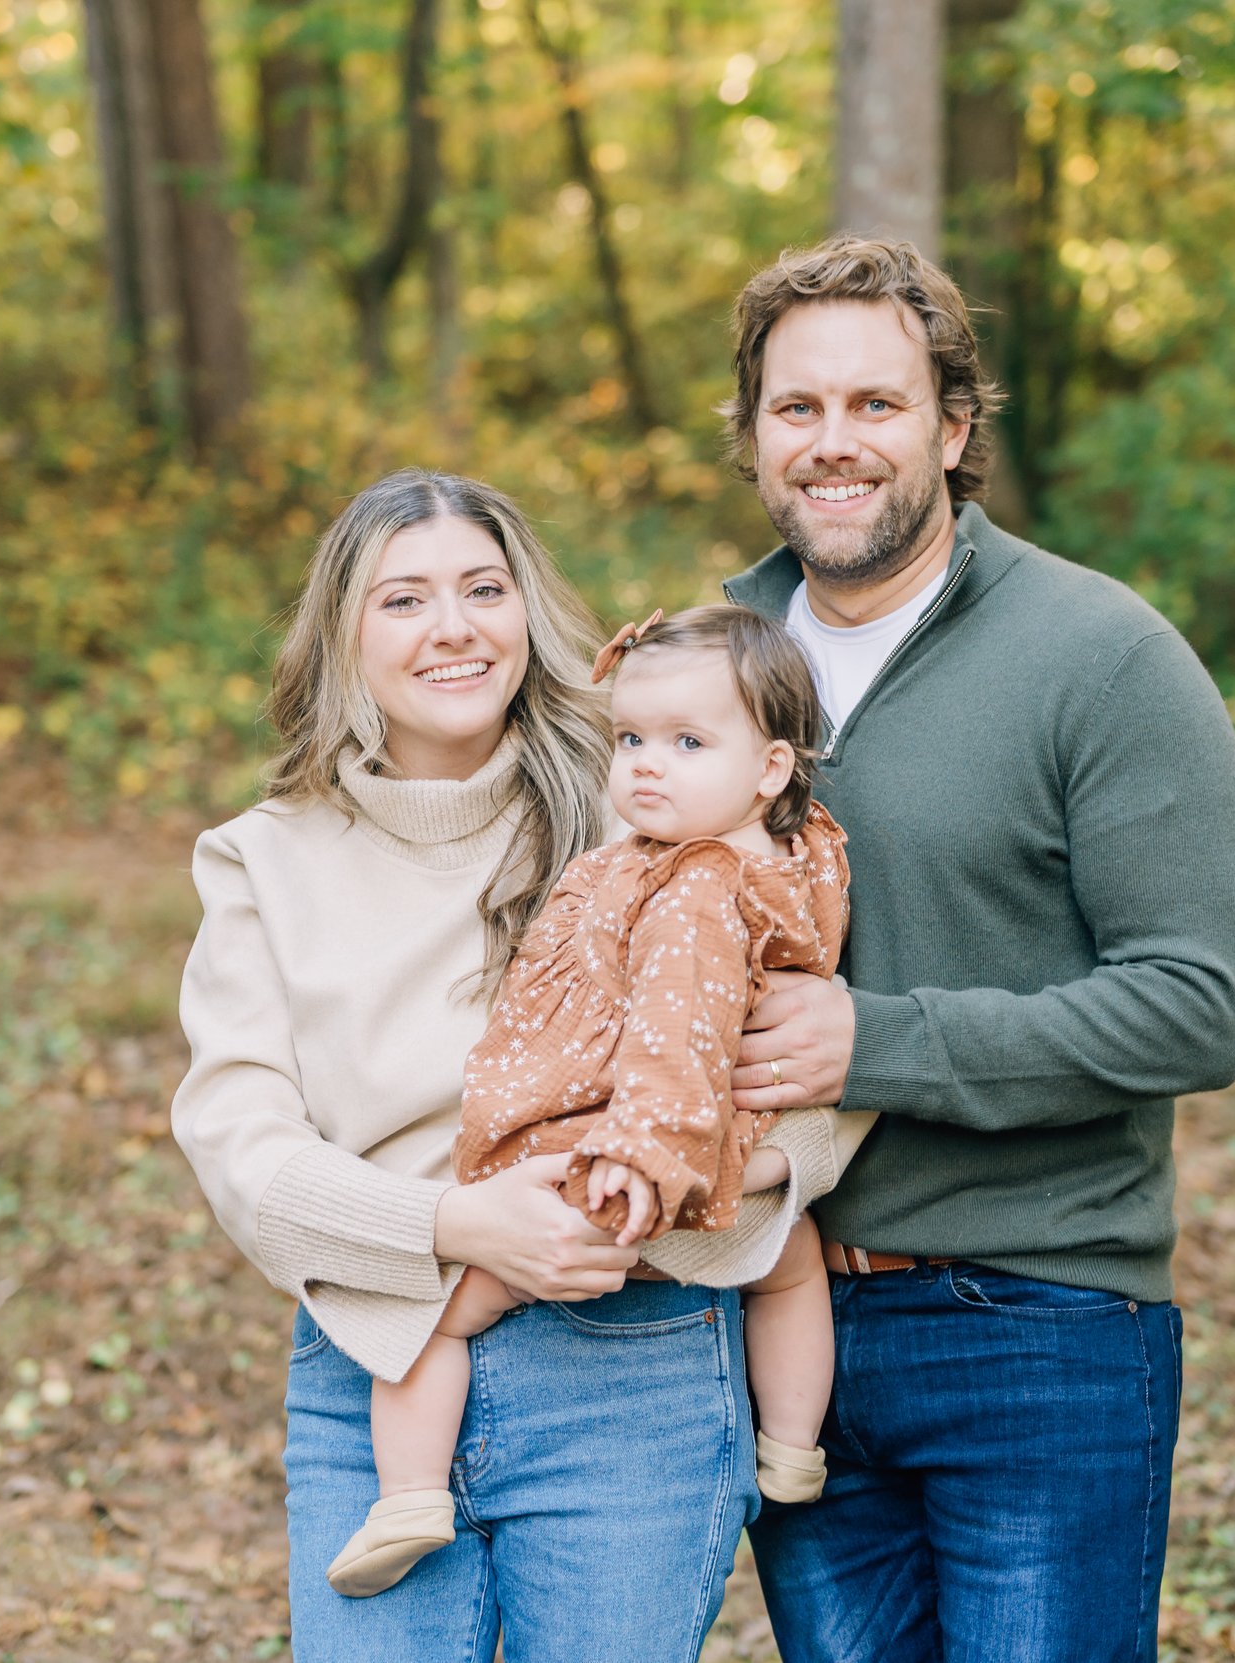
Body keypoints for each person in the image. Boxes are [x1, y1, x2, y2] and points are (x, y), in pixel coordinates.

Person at [168, 469, 854, 1662]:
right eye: (404, 600)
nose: (454, 627)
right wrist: (456, 1221)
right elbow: (241, 1146)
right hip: (378, 1358)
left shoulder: (651, 797)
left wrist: (655, 1196)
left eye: (484, 589)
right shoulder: (261, 860)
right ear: (342, 633)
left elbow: (818, 1065)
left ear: (526, 611)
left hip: (628, 1363)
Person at [721, 237, 1235, 1662]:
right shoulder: (710, 666)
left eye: (877, 404)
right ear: (754, 433)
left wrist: (877, 1037)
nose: (834, 443)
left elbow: (1195, 1007)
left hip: (1034, 1316)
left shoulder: (1102, 656)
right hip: (781, 1322)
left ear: (955, 428)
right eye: (798, 407)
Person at [328, 604, 850, 1598]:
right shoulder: (798, 854)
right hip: (726, 1156)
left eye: (686, 743)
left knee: (436, 1310)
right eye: (630, 739)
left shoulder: (693, 887)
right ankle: (791, 1446)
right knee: (792, 1260)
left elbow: (675, 1025)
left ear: (771, 767)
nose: (646, 766)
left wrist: (638, 1153)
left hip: (608, 1156)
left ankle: (405, 1495)